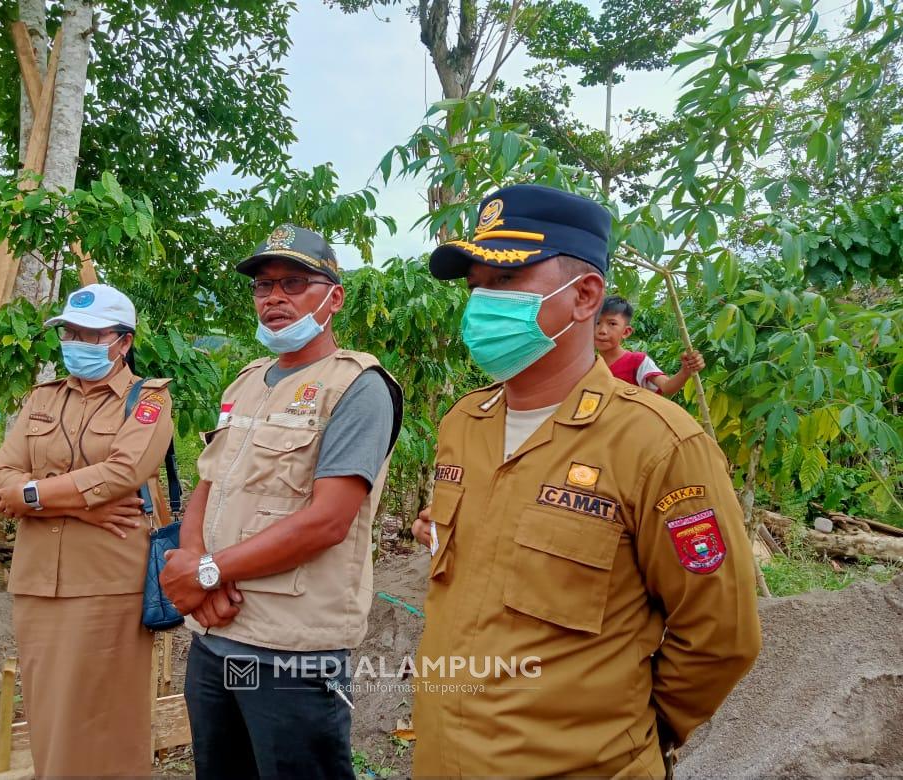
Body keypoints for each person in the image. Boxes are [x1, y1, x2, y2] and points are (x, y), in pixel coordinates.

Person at [409, 184, 761, 777]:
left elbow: (720, 637)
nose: (481, 306)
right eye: (475, 288)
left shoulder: (657, 443)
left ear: (585, 296)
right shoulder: (463, 423)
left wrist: (616, 732)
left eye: (504, 282)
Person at [159, 224, 403, 780]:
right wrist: (196, 566)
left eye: (295, 283)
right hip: (215, 634)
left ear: (334, 297)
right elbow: (208, 486)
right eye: (263, 286)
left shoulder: (358, 387)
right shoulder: (245, 382)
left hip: (290, 650)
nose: (274, 298)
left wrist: (205, 572)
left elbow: (327, 521)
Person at [0, 283, 174, 778]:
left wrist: (33, 496)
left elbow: (122, 473)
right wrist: (81, 510)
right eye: (70, 332)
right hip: (37, 583)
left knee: (106, 715)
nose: (76, 342)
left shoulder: (147, 401)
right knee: (50, 716)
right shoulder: (43, 399)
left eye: (91, 335)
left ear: (123, 342)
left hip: (108, 583)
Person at [595, 295, 705, 395]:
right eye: (597, 323)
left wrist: (686, 371)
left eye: (612, 324)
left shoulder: (637, 361)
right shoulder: (588, 364)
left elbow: (667, 387)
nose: (602, 331)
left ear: (626, 332)